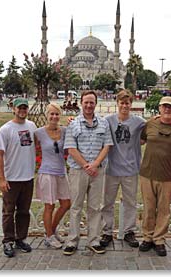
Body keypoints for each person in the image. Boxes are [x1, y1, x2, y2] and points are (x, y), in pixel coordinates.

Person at [63, 90, 113, 256]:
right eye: (86, 102)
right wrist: (86, 165)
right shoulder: (73, 123)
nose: (89, 105)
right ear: (81, 103)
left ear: (95, 103)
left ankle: (94, 240)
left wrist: (95, 164)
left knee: (95, 207)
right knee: (76, 206)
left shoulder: (104, 123)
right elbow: (71, 148)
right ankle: (72, 240)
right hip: (79, 171)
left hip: (97, 171)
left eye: (92, 102)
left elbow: (107, 145)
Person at [138, 96, 171, 256]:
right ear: (159, 108)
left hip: (167, 175)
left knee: (164, 209)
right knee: (149, 207)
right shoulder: (150, 123)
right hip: (147, 173)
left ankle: (159, 239)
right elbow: (141, 140)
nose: (167, 109)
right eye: (164, 106)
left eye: (170, 107)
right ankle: (147, 237)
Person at [100, 90, 145, 248]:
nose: (124, 106)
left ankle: (129, 231)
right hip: (111, 168)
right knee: (107, 202)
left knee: (130, 202)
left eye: (127, 103)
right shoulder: (107, 121)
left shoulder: (139, 122)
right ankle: (106, 231)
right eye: (122, 102)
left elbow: (151, 130)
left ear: (131, 104)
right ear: (117, 103)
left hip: (130, 169)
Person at [0, 98, 36, 258]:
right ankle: (8, 240)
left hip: (27, 177)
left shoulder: (31, 126)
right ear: (13, 109)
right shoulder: (5, 130)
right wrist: (1, 179)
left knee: (24, 211)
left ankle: (20, 238)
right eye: (20, 108)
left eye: (25, 108)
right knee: (8, 211)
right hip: (12, 178)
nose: (22, 110)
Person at [34, 103, 71, 249]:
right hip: (47, 172)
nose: (54, 117)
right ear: (46, 116)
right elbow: (31, 148)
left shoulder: (65, 131)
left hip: (61, 172)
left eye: (57, 114)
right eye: (51, 114)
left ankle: (51, 231)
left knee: (66, 204)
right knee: (49, 206)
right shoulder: (39, 133)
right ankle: (49, 236)